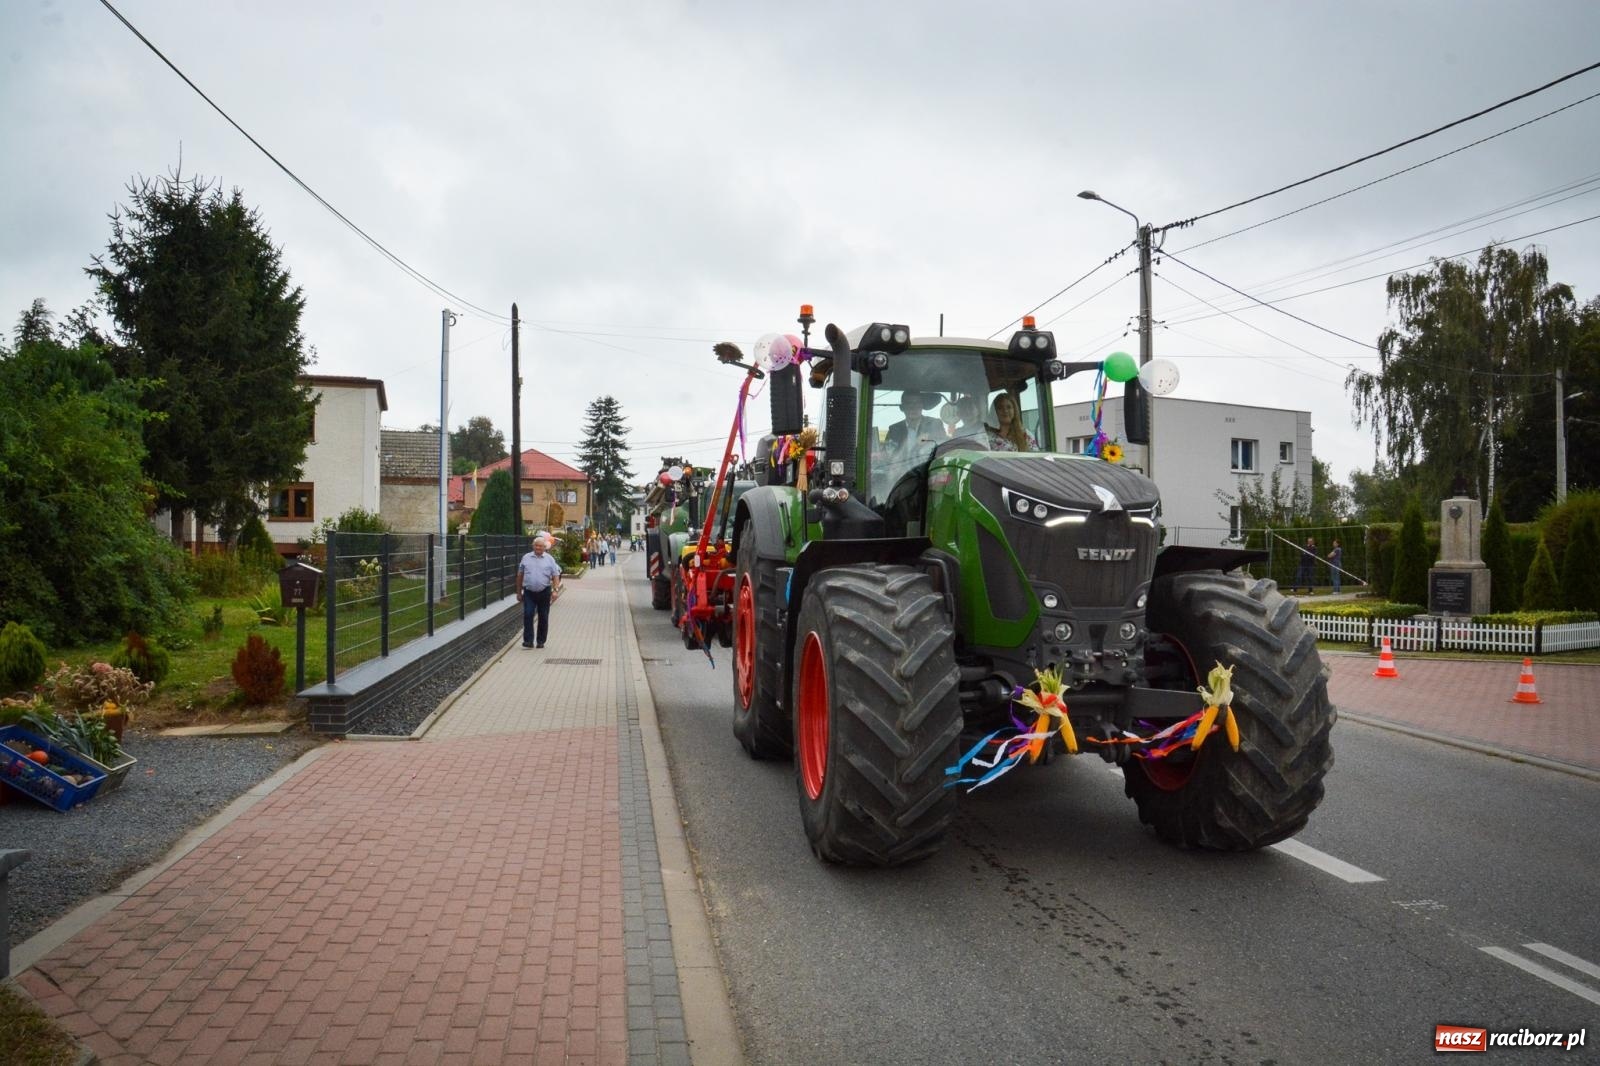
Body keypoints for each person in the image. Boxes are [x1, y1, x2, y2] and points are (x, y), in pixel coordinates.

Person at [516, 535, 563, 648]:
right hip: (529, 592)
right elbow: (520, 575)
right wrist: (518, 592)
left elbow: (555, 575)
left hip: (544, 592)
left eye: (540, 546)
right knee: (528, 614)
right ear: (533, 546)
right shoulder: (526, 558)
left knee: (543, 616)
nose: (538, 548)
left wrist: (555, 590)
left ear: (544, 547)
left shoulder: (549, 559)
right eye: (536, 545)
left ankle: (541, 641)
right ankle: (528, 641)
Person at [884, 391, 946, 456]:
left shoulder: (935, 424)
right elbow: (887, 454)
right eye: (909, 403)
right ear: (902, 407)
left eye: (918, 403)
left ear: (922, 406)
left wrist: (929, 438)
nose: (913, 407)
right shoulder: (894, 430)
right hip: (901, 465)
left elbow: (944, 446)